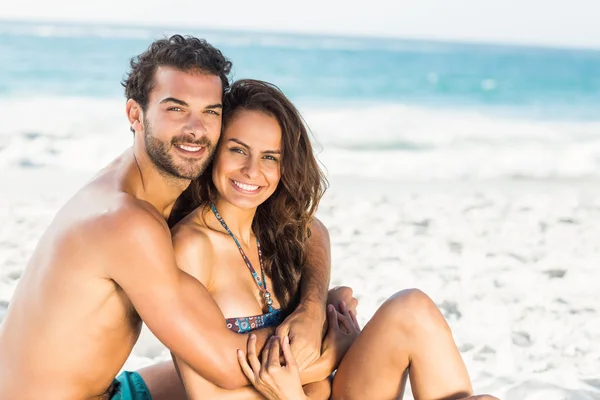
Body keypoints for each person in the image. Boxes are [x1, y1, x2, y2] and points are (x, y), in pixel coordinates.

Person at [0, 35, 336, 400]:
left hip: (113, 389)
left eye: (210, 111)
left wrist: (313, 307)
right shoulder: (126, 219)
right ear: (135, 114)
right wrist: (336, 344)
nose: (195, 128)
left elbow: (307, 229)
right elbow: (227, 365)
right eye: (176, 109)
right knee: (300, 385)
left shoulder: (166, 179)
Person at [162, 79, 500, 400]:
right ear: (213, 152)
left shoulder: (278, 232)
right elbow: (206, 393)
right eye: (238, 150)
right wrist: (330, 354)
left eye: (270, 157)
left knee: (412, 307)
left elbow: (314, 230)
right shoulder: (190, 248)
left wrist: (316, 310)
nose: (253, 171)